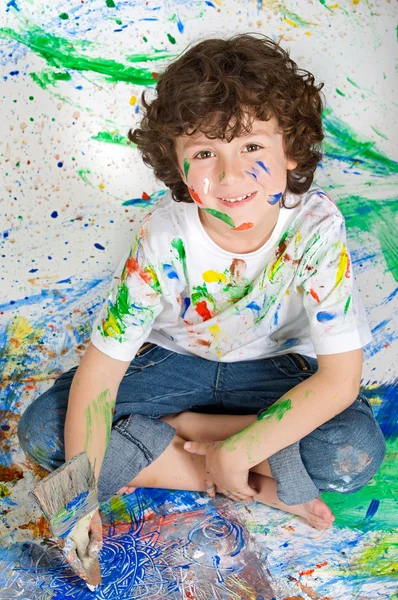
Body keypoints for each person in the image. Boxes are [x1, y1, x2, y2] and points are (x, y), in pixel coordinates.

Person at [18, 33, 386, 572]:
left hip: (271, 373)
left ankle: (190, 433)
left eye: (252, 147)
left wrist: (235, 448)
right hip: (171, 364)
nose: (231, 175)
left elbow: (338, 381)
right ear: (176, 161)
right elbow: (99, 378)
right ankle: (259, 482)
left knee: (351, 453)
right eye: (205, 152)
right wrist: (77, 505)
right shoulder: (164, 234)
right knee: (45, 432)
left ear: (292, 148)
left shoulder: (315, 228)